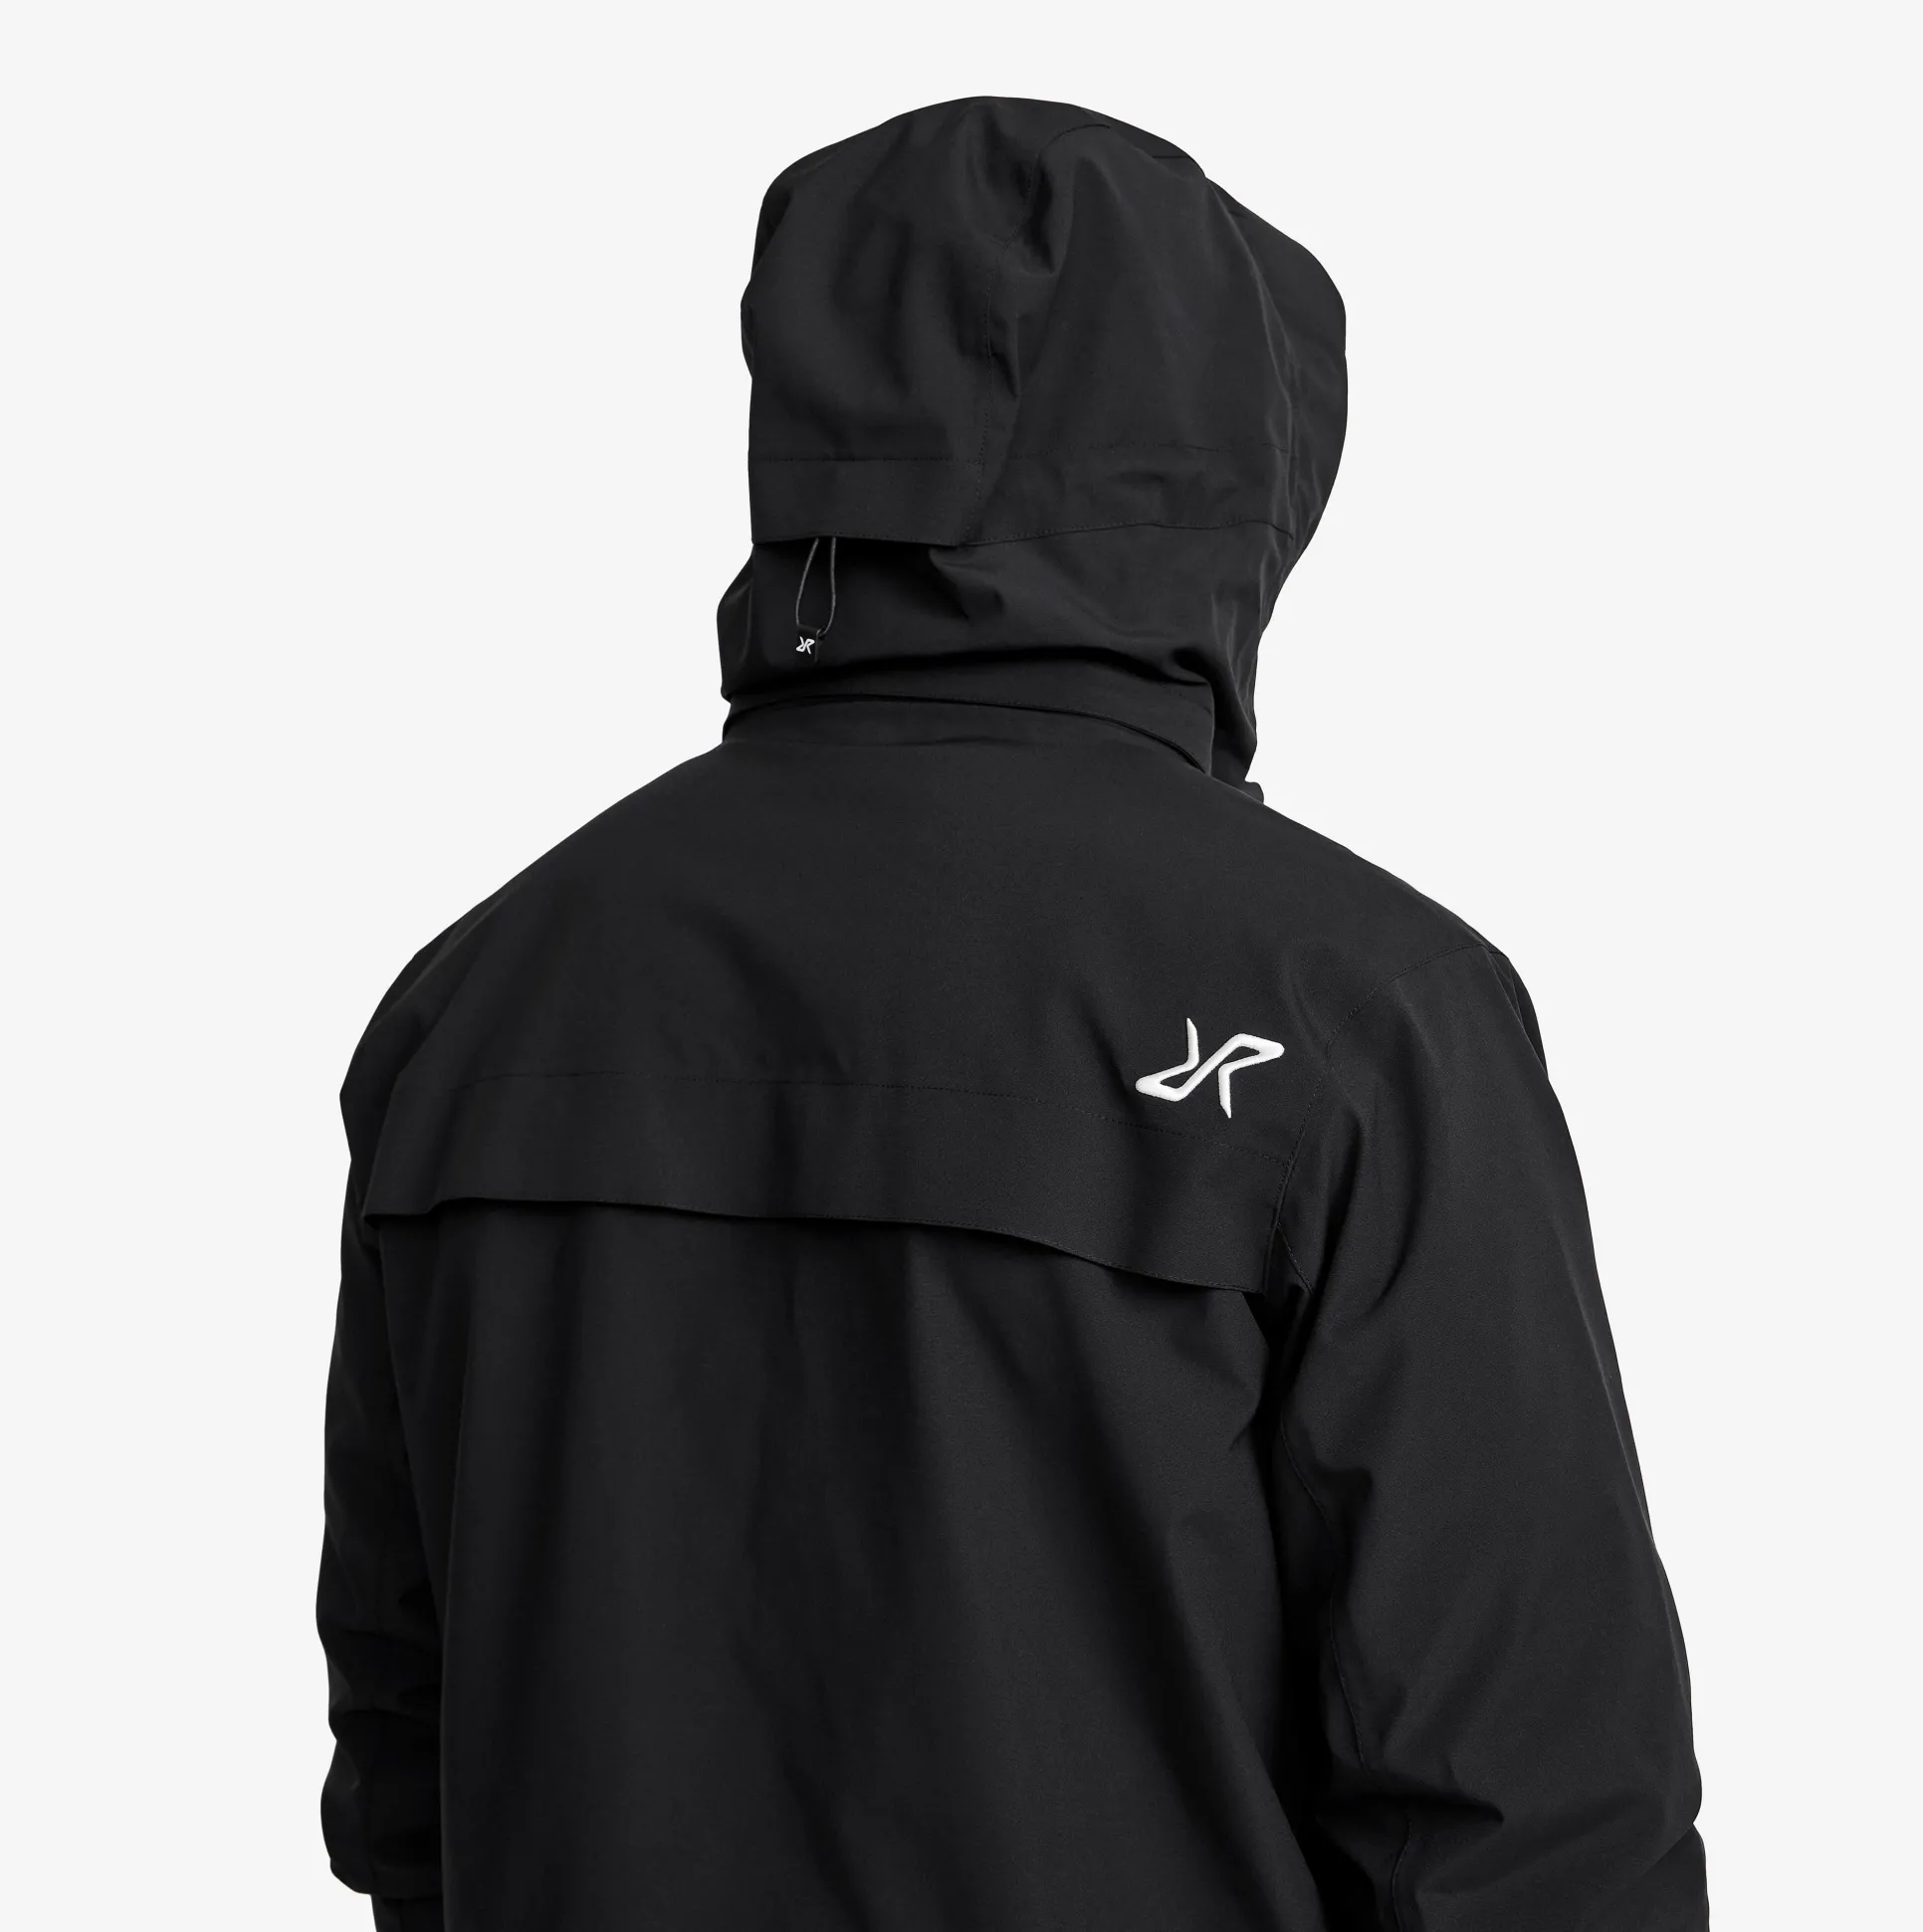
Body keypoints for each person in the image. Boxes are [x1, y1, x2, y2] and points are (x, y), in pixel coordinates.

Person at [319, 96, 1706, 1932]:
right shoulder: (1361, 1015)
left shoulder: (477, 1000)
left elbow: (411, 1759)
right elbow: (1531, 1818)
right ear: (1241, 469)